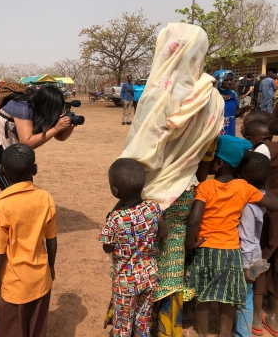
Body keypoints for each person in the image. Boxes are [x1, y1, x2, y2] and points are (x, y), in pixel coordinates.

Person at [120, 23, 224, 337]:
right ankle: (168, 330)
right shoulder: (212, 98)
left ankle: (135, 325)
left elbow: (136, 154)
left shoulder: (156, 93)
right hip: (184, 194)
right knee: (172, 266)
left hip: (145, 195)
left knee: (137, 266)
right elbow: (207, 155)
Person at [185, 135, 278, 337]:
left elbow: (194, 220)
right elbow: (273, 204)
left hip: (206, 250)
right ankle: (225, 333)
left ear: (218, 163)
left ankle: (201, 333)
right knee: (228, 297)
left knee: (203, 296)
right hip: (231, 252)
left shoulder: (205, 187)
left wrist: (190, 243)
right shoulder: (244, 188)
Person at [0, 143, 57, 337]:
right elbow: (51, 239)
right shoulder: (45, 198)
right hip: (41, 279)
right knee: (37, 329)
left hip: (14, 286)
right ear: (34, 169)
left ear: (1, 169)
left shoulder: (0, 206)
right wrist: (51, 267)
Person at [99, 158, 164, 336]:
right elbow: (162, 232)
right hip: (149, 274)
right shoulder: (153, 207)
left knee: (123, 326)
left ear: (114, 191)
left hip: (125, 282)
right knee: (143, 321)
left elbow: (107, 248)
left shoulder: (115, 219)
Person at [0, 84, 75, 191]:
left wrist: (69, 126)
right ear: (46, 105)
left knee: (26, 189)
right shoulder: (23, 107)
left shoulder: (40, 110)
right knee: (12, 191)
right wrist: (56, 129)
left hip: (16, 151)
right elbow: (27, 142)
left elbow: (60, 137)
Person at [233, 151, 271, 337]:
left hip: (246, 258)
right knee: (243, 296)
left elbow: (247, 237)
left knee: (244, 298)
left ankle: (242, 333)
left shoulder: (248, 203)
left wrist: (246, 267)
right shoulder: (261, 194)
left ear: (241, 177)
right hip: (252, 254)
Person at [253, 124, 278, 336]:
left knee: (262, 258)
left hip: (268, 212)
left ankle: (256, 316)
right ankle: (275, 317)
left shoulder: (266, 149)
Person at [213, 69, 249, 136]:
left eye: (230, 80)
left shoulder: (233, 94)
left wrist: (243, 110)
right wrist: (215, 89)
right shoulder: (212, 95)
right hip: (216, 131)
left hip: (230, 129)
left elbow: (233, 114)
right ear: (218, 81)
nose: (229, 82)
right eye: (226, 80)